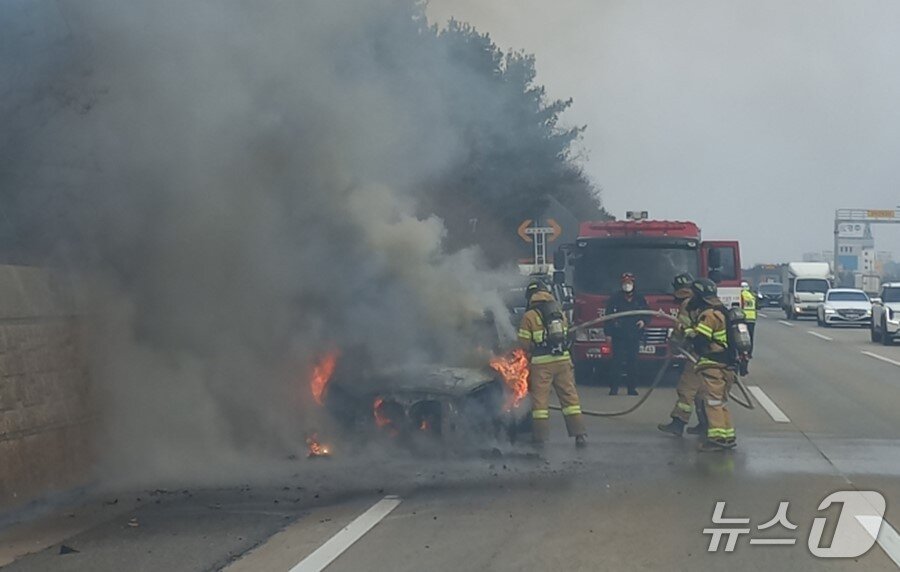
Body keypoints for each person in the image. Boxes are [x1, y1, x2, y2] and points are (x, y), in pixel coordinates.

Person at [517, 278, 588, 448]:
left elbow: (524, 344)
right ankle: (579, 435)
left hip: (542, 363)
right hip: (563, 360)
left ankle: (540, 437)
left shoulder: (529, 315)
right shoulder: (559, 311)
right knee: (570, 399)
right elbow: (567, 334)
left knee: (540, 403)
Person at [686, 278, 738, 451]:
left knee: (713, 403)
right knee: (720, 402)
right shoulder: (723, 311)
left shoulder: (709, 315)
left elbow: (701, 340)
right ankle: (727, 436)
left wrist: (688, 334)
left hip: (714, 365)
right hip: (727, 366)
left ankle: (716, 438)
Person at [657, 272, 707, 436]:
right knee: (702, 391)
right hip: (712, 355)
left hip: (697, 356)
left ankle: (678, 423)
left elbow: (682, 328)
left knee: (686, 389)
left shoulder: (688, 304)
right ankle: (705, 424)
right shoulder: (705, 302)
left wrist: (675, 345)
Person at [606, 272, 648, 396]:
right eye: (625, 283)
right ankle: (614, 388)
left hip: (634, 335)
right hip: (618, 335)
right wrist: (608, 333)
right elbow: (608, 317)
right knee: (616, 362)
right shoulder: (615, 298)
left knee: (633, 362)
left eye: (629, 283)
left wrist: (643, 321)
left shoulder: (640, 298)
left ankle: (632, 388)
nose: (627, 285)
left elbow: (647, 313)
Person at [739, 281, 757, 375]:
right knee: (749, 340)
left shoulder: (740, 295)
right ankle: (748, 354)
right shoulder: (751, 295)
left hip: (742, 320)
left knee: (739, 340)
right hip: (752, 320)